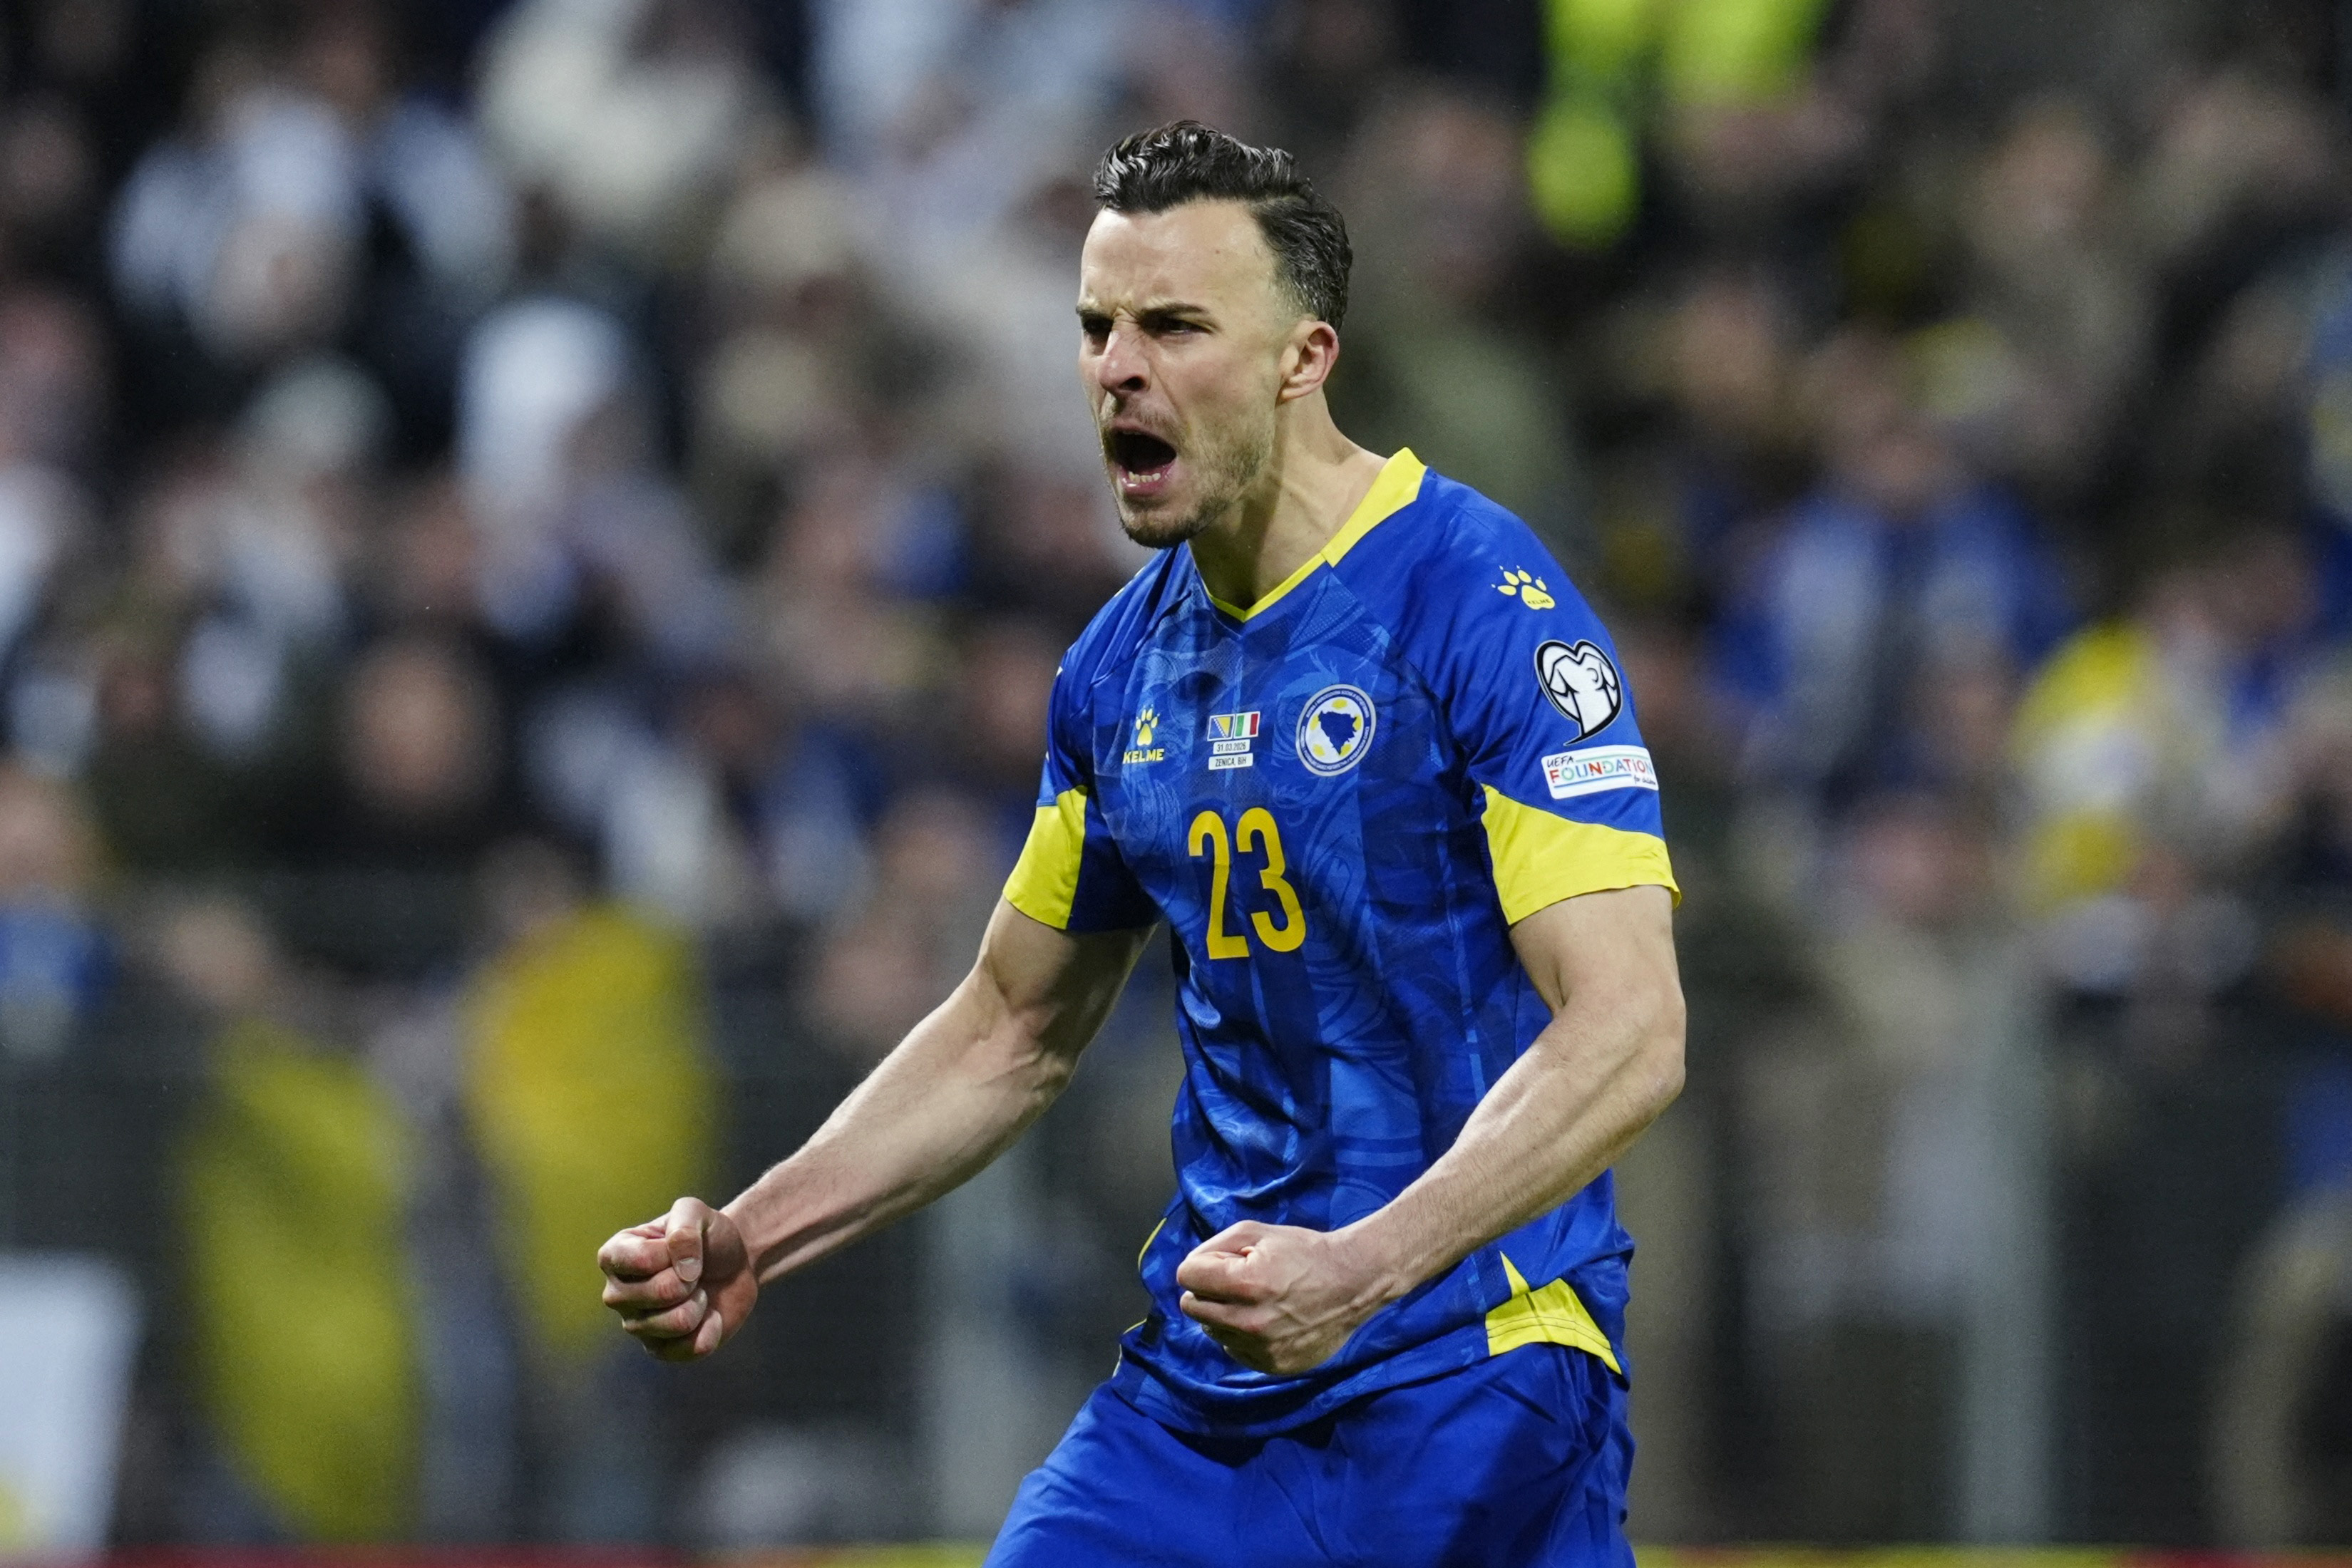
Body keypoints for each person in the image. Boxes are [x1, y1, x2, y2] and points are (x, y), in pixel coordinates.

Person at [597, 121, 1685, 1564]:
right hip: (1208, 1393)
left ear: (1307, 355)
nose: (1119, 366)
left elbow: (1630, 1025)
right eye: (1099, 326)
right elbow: (1009, 1024)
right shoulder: (1117, 674)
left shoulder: (1476, 601)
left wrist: (1361, 1272)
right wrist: (757, 1230)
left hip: (1472, 1364)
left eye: (1174, 325)